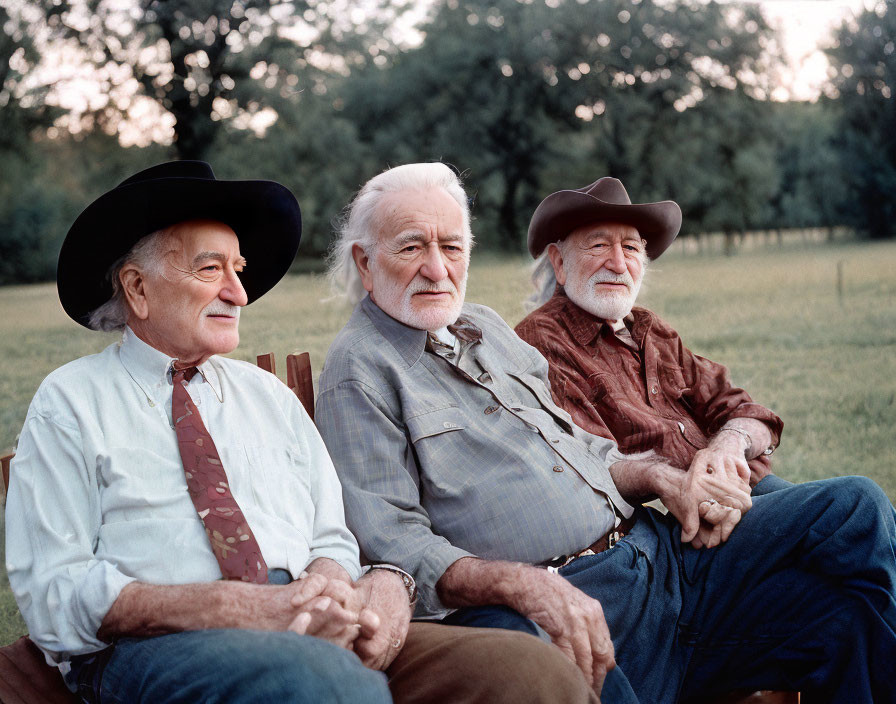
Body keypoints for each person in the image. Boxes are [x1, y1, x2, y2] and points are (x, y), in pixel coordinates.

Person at [5, 161, 599, 704]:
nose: (239, 292)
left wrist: (328, 587)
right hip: (155, 649)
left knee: (528, 671)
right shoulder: (71, 402)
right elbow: (54, 590)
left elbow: (331, 536)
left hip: (305, 631)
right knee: (323, 684)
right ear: (136, 288)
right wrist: (230, 607)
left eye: (237, 270)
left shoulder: (267, 398)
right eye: (210, 269)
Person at [316, 161, 896, 704]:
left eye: (451, 247)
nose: (437, 269)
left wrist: (661, 477)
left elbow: (582, 447)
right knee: (539, 651)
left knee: (854, 538)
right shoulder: (361, 369)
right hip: (568, 595)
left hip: (661, 560)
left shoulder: (484, 328)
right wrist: (526, 586)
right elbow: (393, 543)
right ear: (366, 262)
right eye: (412, 247)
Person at [515, 176, 789, 500]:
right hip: (675, 523)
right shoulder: (541, 343)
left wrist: (730, 445)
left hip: (743, 489)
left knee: (841, 516)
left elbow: (741, 408)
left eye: (630, 247)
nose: (618, 264)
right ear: (559, 263)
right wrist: (688, 488)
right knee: (857, 502)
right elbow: (589, 466)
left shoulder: (649, 328)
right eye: (599, 245)